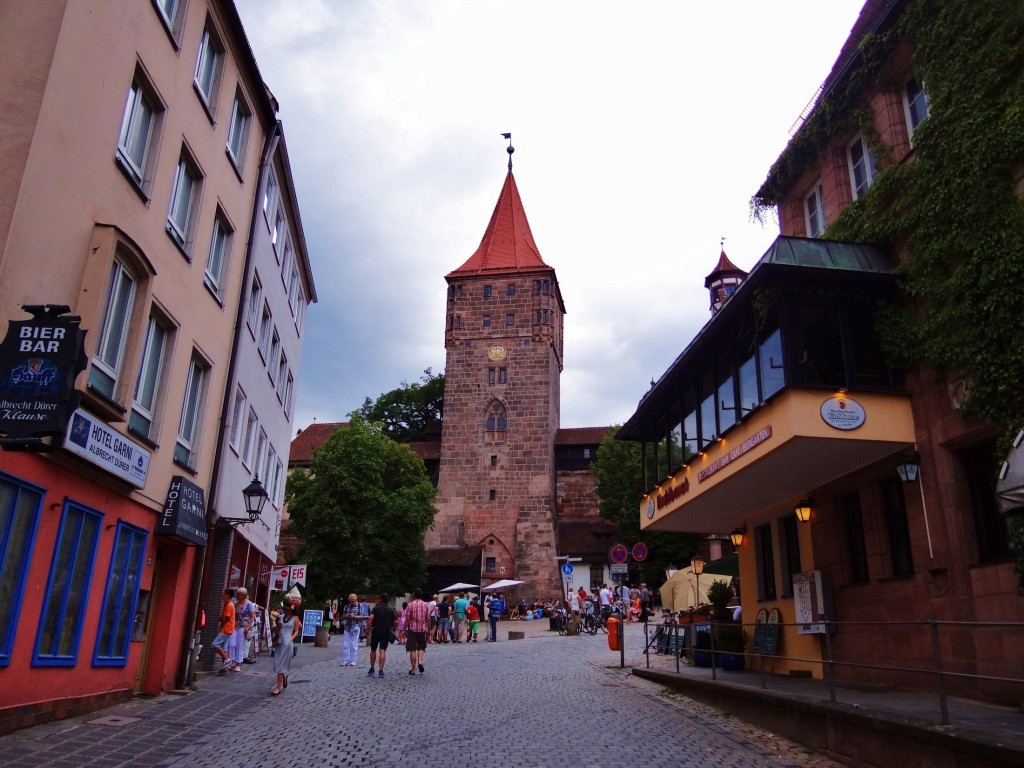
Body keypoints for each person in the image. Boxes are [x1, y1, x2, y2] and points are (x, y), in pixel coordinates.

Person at [271, 598, 301, 695]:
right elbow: (276, 630)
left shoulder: (295, 618)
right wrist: (277, 627)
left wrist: (291, 639)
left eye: (289, 607)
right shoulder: (280, 617)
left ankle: (278, 687)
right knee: (276, 663)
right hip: (279, 640)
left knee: (281, 663)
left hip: (287, 641)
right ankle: (284, 675)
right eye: (286, 606)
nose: (287, 609)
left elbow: (296, 630)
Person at [366, 592, 397, 677]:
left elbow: (370, 618)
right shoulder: (391, 610)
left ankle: (372, 668)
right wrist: (393, 629)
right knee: (382, 650)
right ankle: (381, 671)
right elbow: (395, 622)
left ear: (381, 599)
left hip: (376, 630)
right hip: (386, 631)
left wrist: (367, 628)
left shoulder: (376, 608)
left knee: (373, 649)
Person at [404, 588, 430, 675]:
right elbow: (428, 618)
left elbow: (407, 618)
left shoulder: (410, 605)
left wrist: (404, 629)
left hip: (412, 629)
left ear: (414, 595)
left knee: (412, 649)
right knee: (422, 647)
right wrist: (428, 629)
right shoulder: (425, 604)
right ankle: (420, 662)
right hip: (422, 629)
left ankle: (413, 669)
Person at [230, 588, 254, 671]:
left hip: (243, 626)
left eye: (239, 594)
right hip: (234, 626)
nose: (237, 595)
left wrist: (248, 627)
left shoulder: (249, 604)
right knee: (232, 644)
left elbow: (252, 617)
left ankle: (238, 663)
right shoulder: (235, 603)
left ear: (243, 595)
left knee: (240, 644)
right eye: (237, 594)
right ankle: (231, 661)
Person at [213, 588, 236, 673]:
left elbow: (226, 618)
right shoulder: (230, 604)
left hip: (226, 629)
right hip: (229, 629)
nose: (223, 595)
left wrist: (220, 618)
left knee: (214, 644)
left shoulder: (229, 605)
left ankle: (227, 660)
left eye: (224, 594)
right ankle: (225, 667)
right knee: (224, 647)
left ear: (228, 595)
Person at [340, 593, 365, 666]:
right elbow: (343, 616)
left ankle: (353, 660)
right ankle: (345, 660)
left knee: (354, 644)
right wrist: (346, 616)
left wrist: (354, 617)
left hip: (355, 626)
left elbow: (361, 616)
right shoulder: (346, 606)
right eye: (350, 601)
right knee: (346, 644)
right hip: (347, 626)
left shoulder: (360, 606)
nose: (351, 602)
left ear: (356, 600)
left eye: (353, 601)